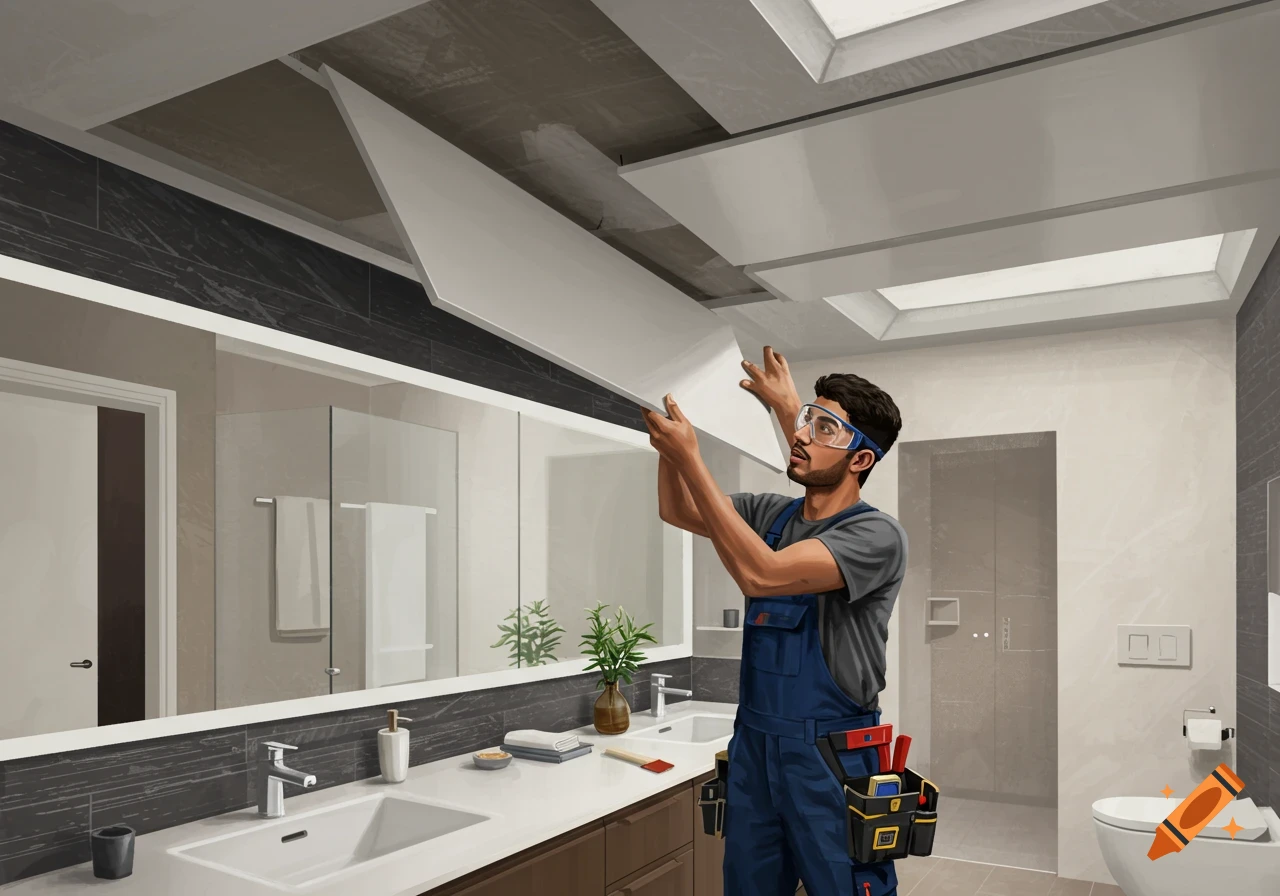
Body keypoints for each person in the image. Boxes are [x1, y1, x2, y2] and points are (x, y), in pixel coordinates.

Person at [641, 347, 906, 896]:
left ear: (861, 460)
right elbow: (680, 510)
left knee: (844, 886)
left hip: (830, 757)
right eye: (808, 418)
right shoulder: (774, 514)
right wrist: (670, 448)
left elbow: (763, 575)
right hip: (754, 745)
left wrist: (693, 458)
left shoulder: (876, 537)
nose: (803, 434)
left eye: (825, 426)